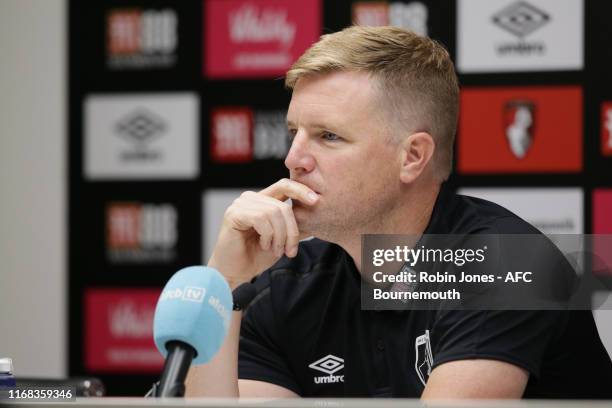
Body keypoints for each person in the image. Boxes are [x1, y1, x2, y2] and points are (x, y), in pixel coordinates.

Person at [185, 26, 612, 399]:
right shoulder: (285, 284)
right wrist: (224, 284)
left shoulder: (507, 262)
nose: (294, 159)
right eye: (295, 133)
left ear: (412, 156)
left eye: (328, 136)